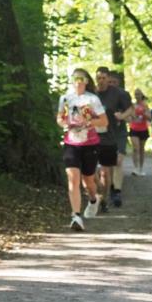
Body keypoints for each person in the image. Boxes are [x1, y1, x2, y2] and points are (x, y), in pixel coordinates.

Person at [57, 69, 108, 231]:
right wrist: (64, 123)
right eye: (75, 78)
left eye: (81, 78)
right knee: (73, 178)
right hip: (71, 142)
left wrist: (90, 123)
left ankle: (93, 199)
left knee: (88, 180)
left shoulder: (92, 99)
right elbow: (59, 118)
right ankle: (76, 216)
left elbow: (104, 121)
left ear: (86, 81)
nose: (78, 81)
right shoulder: (65, 98)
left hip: (90, 143)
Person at [94, 67, 132, 210]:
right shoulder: (93, 94)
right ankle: (107, 190)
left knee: (118, 160)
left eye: (106, 79)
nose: (103, 82)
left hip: (118, 132)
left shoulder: (120, 94)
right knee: (104, 168)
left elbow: (130, 109)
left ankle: (116, 192)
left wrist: (121, 116)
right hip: (101, 134)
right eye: (100, 78)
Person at [128, 88, 150, 177]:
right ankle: (135, 168)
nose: (137, 96)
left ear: (141, 95)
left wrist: (144, 113)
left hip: (143, 129)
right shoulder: (132, 106)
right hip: (134, 129)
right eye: (135, 94)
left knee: (141, 149)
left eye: (138, 94)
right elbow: (129, 116)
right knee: (135, 148)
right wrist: (132, 117)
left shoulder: (145, 105)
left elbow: (150, 117)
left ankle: (141, 169)